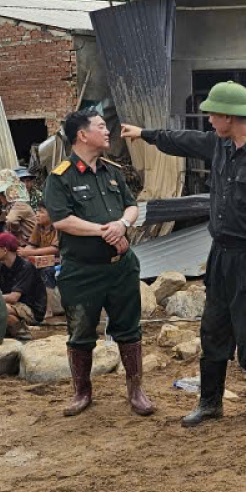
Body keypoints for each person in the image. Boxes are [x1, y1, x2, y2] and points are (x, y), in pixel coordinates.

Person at [123, 81, 246, 425]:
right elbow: (181, 141)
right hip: (220, 257)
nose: (207, 120)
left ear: (229, 116)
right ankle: (210, 402)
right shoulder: (220, 144)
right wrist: (144, 134)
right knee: (213, 330)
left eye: (211, 114)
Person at [45, 109, 154, 417]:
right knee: (80, 332)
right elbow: (62, 220)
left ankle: (136, 391)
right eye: (101, 127)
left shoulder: (112, 170)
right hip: (82, 272)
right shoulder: (61, 177)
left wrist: (121, 223)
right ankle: (81, 392)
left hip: (121, 267)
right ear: (82, 135)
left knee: (129, 329)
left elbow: (132, 206)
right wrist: (104, 231)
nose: (108, 132)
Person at [0, 232, 45, 340]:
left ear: (5, 250)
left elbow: (13, 297)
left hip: (31, 309)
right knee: (0, 312)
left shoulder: (26, 266)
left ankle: (21, 330)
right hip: (12, 306)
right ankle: (18, 329)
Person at [17, 206, 61, 317]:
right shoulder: (39, 226)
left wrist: (29, 253)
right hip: (42, 259)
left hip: (59, 260)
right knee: (24, 267)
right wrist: (22, 254)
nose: (37, 214)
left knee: (46, 271)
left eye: (41, 212)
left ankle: (49, 308)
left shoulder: (58, 226)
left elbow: (55, 249)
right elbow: (32, 245)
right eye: (36, 211)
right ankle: (34, 304)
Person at [0, 174, 37, 244]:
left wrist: (16, 235)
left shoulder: (19, 205)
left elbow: (11, 220)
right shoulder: (9, 207)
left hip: (29, 242)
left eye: (1, 194)